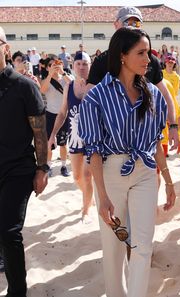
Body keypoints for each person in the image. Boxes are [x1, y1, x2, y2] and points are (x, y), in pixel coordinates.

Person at [78, 27, 176, 297]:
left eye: (149, 52)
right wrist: (102, 194)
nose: (148, 59)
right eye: (141, 53)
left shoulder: (153, 95)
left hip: (145, 172)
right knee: (114, 247)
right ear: (122, 56)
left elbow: (155, 140)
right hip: (110, 174)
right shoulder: (97, 96)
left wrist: (167, 181)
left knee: (143, 245)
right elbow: (93, 151)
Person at [87, 6, 179, 150]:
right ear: (116, 24)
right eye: (127, 22)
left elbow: (165, 95)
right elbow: (88, 100)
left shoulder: (151, 61)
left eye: (136, 24)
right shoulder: (102, 61)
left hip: (144, 139)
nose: (132, 27)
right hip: (111, 143)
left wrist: (173, 125)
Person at [0, 27, 49, 297]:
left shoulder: (24, 86)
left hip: (18, 170)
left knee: (9, 231)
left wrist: (42, 168)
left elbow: (39, 133)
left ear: (6, 48)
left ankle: (17, 291)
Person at [48, 52, 94, 222]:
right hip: (74, 137)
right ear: (73, 66)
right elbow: (62, 113)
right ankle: (89, 197)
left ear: (90, 66)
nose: (82, 67)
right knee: (77, 177)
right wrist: (52, 134)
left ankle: (86, 210)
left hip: (93, 137)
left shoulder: (97, 86)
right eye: (78, 64)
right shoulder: (69, 87)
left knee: (88, 176)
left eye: (85, 64)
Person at [40, 57, 72, 177]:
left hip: (64, 115)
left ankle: (63, 166)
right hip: (50, 115)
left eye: (56, 64)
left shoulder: (65, 78)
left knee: (63, 143)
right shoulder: (46, 80)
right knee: (50, 143)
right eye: (50, 65)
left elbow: (74, 84)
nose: (54, 66)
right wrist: (50, 75)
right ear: (47, 67)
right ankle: (48, 166)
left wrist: (62, 72)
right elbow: (42, 90)